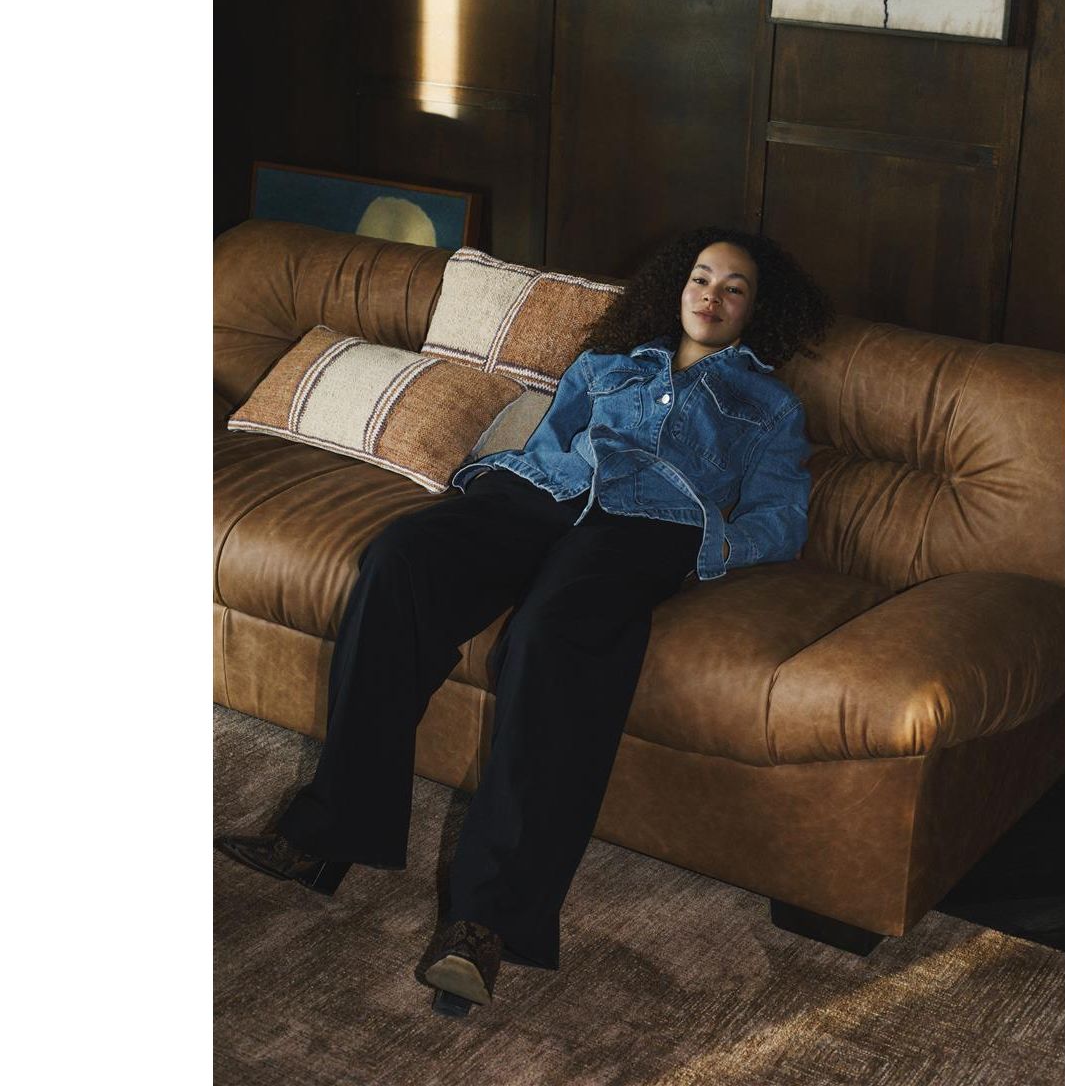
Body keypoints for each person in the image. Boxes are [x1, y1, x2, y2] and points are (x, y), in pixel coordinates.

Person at [214, 227, 831, 1017]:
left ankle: (486, 922)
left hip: (642, 526)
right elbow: (549, 445)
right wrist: (496, 496)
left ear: (756, 309)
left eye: (734, 287)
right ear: (677, 289)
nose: (712, 296)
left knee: (551, 638)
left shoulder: (768, 405)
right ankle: (329, 833)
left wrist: (706, 546)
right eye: (701, 278)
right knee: (404, 558)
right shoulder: (606, 366)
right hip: (544, 496)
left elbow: (782, 518)